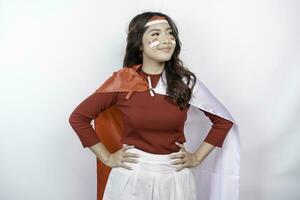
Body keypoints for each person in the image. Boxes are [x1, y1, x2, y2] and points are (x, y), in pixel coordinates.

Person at [69, 11, 240, 200]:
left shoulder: (185, 82)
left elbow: (223, 121)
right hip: (131, 175)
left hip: (174, 176)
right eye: (155, 34)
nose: (166, 39)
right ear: (139, 44)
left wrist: (197, 158)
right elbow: (79, 118)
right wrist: (107, 157)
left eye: (170, 33)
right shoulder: (123, 81)